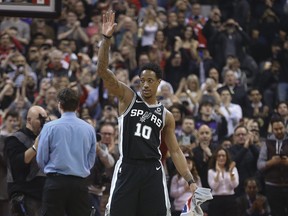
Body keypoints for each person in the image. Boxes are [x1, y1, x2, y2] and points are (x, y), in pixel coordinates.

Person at [97, 11, 197, 216]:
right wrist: (106, 39)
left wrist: (190, 180)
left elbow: (175, 151)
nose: (145, 85)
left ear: (159, 82)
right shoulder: (127, 98)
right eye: (142, 80)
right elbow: (103, 72)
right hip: (128, 167)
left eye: (150, 81)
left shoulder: (165, 114)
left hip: (153, 170)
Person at [36, 88, 97, 216]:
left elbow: (41, 158)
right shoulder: (89, 129)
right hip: (79, 184)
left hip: (55, 183)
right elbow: (91, 160)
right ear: (77, 106)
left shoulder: (49, 127)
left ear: (60, 104)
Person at [4, 105, 48, 216]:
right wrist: (35, 147)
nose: (44, 123)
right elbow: (17, 164)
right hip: (25, 195)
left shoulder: (47, 139)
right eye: (40, 119)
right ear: (29, 120)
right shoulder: (15, 139)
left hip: (45, 195)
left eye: (45, 119)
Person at [257, 115, 288, 216]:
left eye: (281, 128)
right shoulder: (267, 143)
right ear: (272, 129)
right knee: (276, 213)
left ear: (285, 127)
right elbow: (259, 165)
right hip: (272, 185)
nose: (279, 131)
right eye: (276, 129)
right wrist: (271, 162)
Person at [207, 147, 239, 216]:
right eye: (219, 156)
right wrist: (218, 173)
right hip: (216, 200)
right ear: (216, 158)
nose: (221, 158)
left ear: (227, 157)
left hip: (230, 199)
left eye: (223, 156)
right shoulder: (211, 171)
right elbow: (213, 187)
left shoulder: (233, 169)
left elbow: (235, 185)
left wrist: (231, 173)